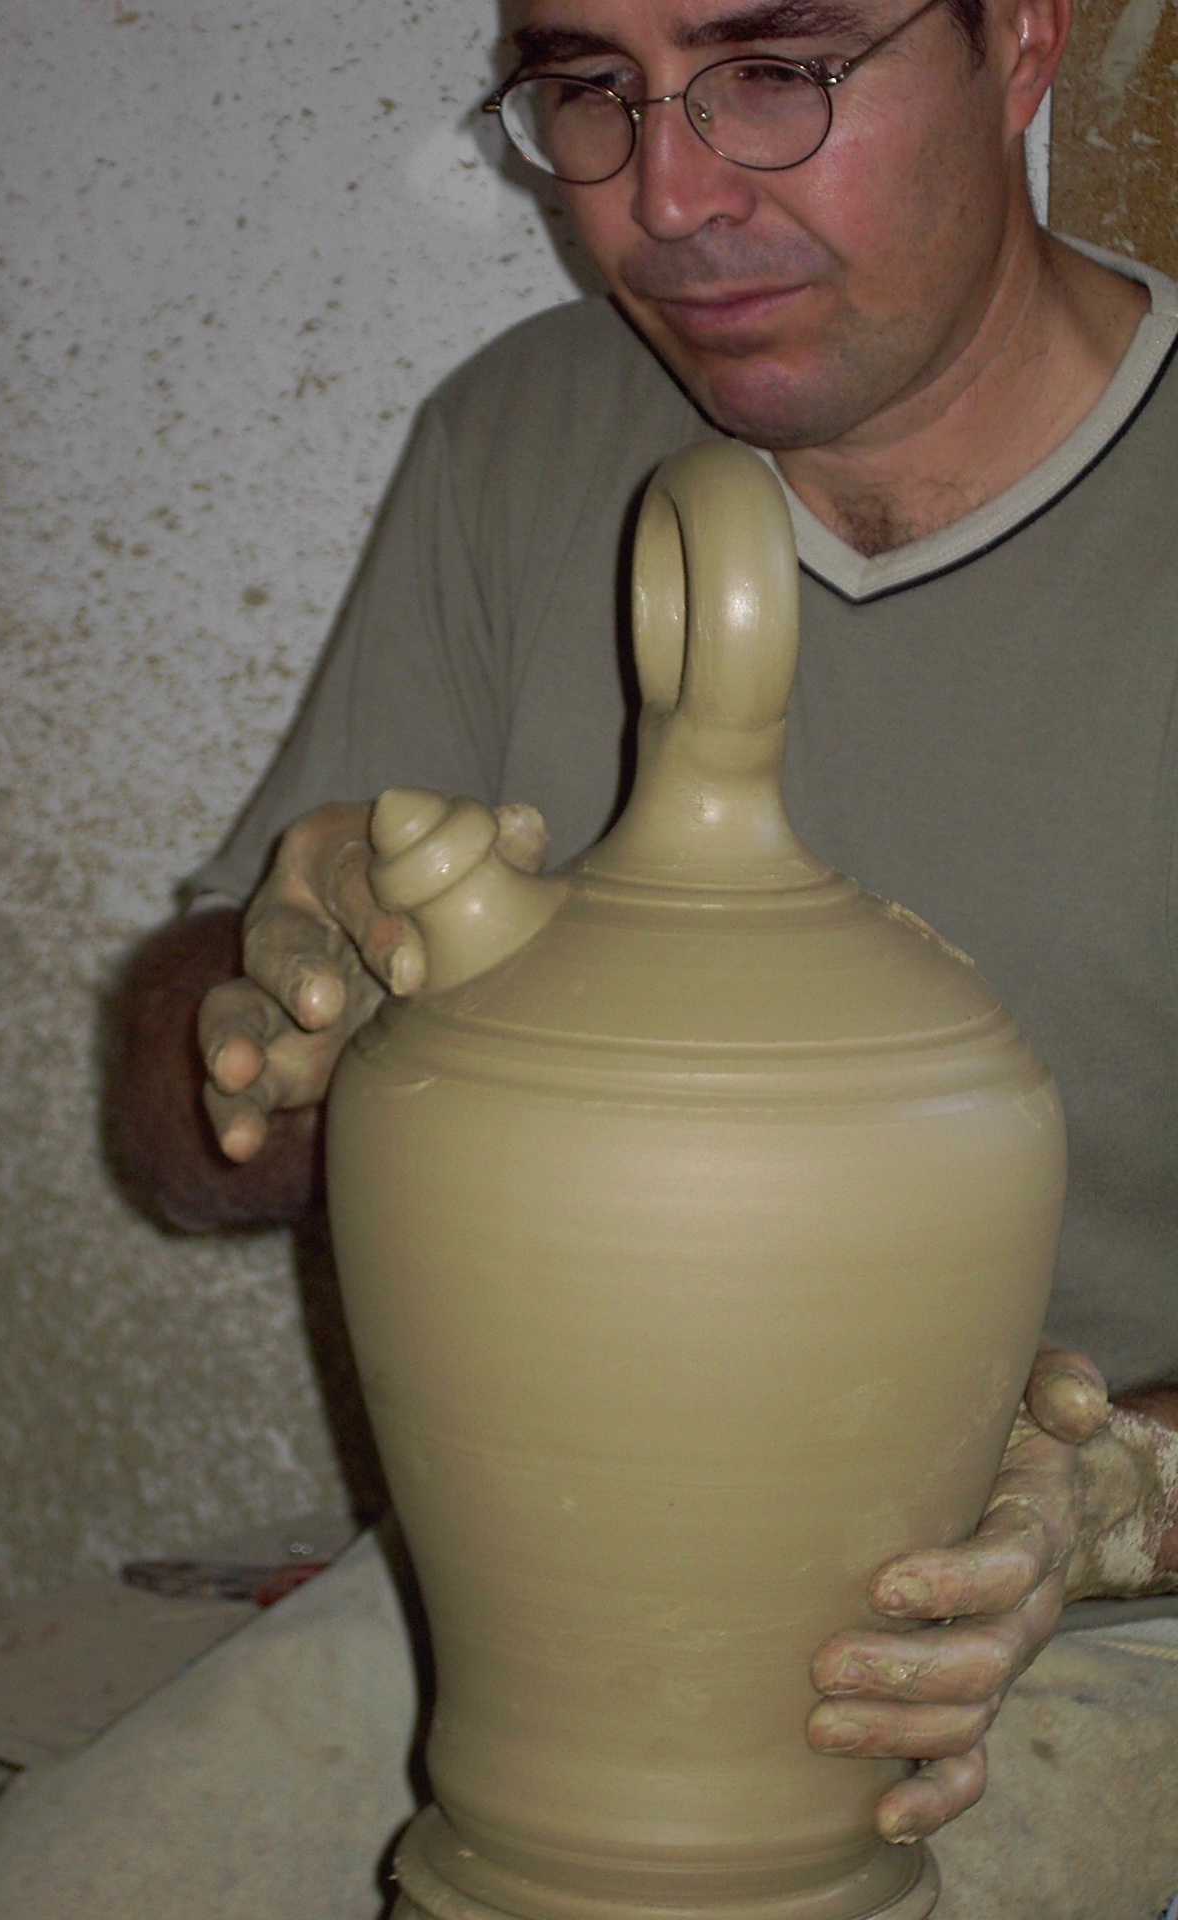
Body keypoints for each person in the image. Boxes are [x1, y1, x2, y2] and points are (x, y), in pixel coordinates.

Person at [109, 0, 1178, 1852]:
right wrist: (269, 1019)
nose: (665, 197)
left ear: (1020, 41)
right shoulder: (528, 435)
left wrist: (1126, 1497)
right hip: (532, 1610)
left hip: (1123, 1619)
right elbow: (186, 1152)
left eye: (774, 73)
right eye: (588, 89)